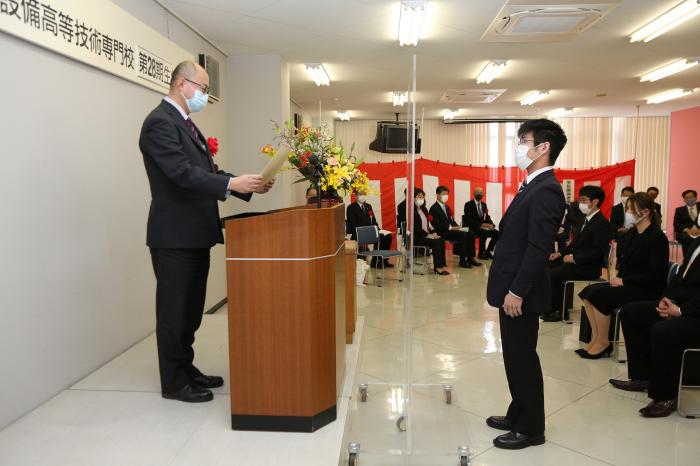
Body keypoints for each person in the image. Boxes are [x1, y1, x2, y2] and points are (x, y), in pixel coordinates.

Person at [139, 61, 274, 403]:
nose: (205, 94)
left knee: (191, 309)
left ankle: (187, 368)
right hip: (174, 236)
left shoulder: (186, 124)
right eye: (202, 86)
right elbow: (182, 174)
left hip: (196, 234)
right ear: (181, 84)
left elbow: (207, 171)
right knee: (174, 311)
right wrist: (230, 183)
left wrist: (248, 186)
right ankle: (173, 381)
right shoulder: (159, 123)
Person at [485, 119, 567, 449]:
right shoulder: (531, 185)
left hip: (520, 292)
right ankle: (518, 409)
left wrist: (517, 291)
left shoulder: (547, 189)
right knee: (514, 356)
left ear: (543, 148)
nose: (520, 146)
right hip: (511, 286)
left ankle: (531, 427)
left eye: (524, 140)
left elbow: (537, 247)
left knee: (523, 358)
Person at [609, 237, 700, 417]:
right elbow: (677, 277)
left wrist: (680, 311)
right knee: (631, 313)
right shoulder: (696, 243)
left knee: (663, 331)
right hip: (679, 304)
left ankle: (666, 397)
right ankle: (642, 377)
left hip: (695, 314)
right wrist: (667, 300)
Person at [577, 192, 668, 359]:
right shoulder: (632, 233)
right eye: (627, 209)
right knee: (587, 293)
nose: (628, 213)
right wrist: (615, 277)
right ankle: (596, 338)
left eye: (631, 210)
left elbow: (656, 274)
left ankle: (604, 343)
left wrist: (623, 280)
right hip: (628, 282)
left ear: (646, 212)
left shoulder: (657, 238)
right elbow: (623, 262)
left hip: (645, 289)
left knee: (601, 296)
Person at [541, 185, 612, 322]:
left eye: (584, 200)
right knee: (549, 265)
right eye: (580, 200)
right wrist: (560, 254)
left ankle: (559, 311)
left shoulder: (601, 223)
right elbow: (574, 244)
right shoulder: (583, 219)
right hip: (577, 262)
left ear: (595, 202)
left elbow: (597, 251)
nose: (580, 204)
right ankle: (554, 306)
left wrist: (574, 258)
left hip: (588, 267)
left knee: (553, 274)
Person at [429, 186, 481, 268]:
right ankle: (462, 261)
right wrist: (451, 227)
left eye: (447, 194)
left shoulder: (447, 207)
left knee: (470, 232)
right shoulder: (433, 208)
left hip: (451, 230)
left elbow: (452, 221)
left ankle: (470, 258)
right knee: (462, 234)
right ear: (438, 195)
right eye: (444, 194)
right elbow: (436, 225)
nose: (446, 196)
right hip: (442, 232)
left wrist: (458, 227)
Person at [346, 191, 394, 268]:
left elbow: (373, 220)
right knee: (379, 238)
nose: (363, 196)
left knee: (387, 236)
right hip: (359, 233)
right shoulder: (351, 208)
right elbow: (353, 224)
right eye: (361, 194)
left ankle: (383, 260)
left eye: (364, 194)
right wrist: (369, 229)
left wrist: (377, 229)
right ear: (355, 196)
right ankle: (375, 262)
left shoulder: (368, 206)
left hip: (371, 231)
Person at [413, 188, 449, 275]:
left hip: (425, 235)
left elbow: (429, 224)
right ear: (413, 198)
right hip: (417, 237)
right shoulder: (411, 211)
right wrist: (428, 235)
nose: (421, 198)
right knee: (436, 242)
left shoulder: (424, 209)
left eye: (422, 197)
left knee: (441, 240)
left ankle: (442, 265)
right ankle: (437, 267)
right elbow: (416, 228)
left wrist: (433, 232)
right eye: (419, 196)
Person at [462, 187, 499, 259]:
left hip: (482, 228)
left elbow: (487, 217)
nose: (479, 194)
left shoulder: (484, 205)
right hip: (472, 227)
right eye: (477, 193)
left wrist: (491, 224)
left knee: (497, 233)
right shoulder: (468, 205)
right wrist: (481, 224)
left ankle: (488, 252)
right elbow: (468, 220)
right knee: (484, 232)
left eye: (481, 193)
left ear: (483, 194)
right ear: (473, 194)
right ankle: (481, 253)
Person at [673, 189, 700, 255]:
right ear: (684, 200)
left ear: (696, 198)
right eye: (686, 198)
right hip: (686, 233)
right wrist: (687, 230)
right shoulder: (679, 210)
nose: (689, 199)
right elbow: (676, 224)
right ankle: (687, 259)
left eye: (691, 197)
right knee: (686, 238)